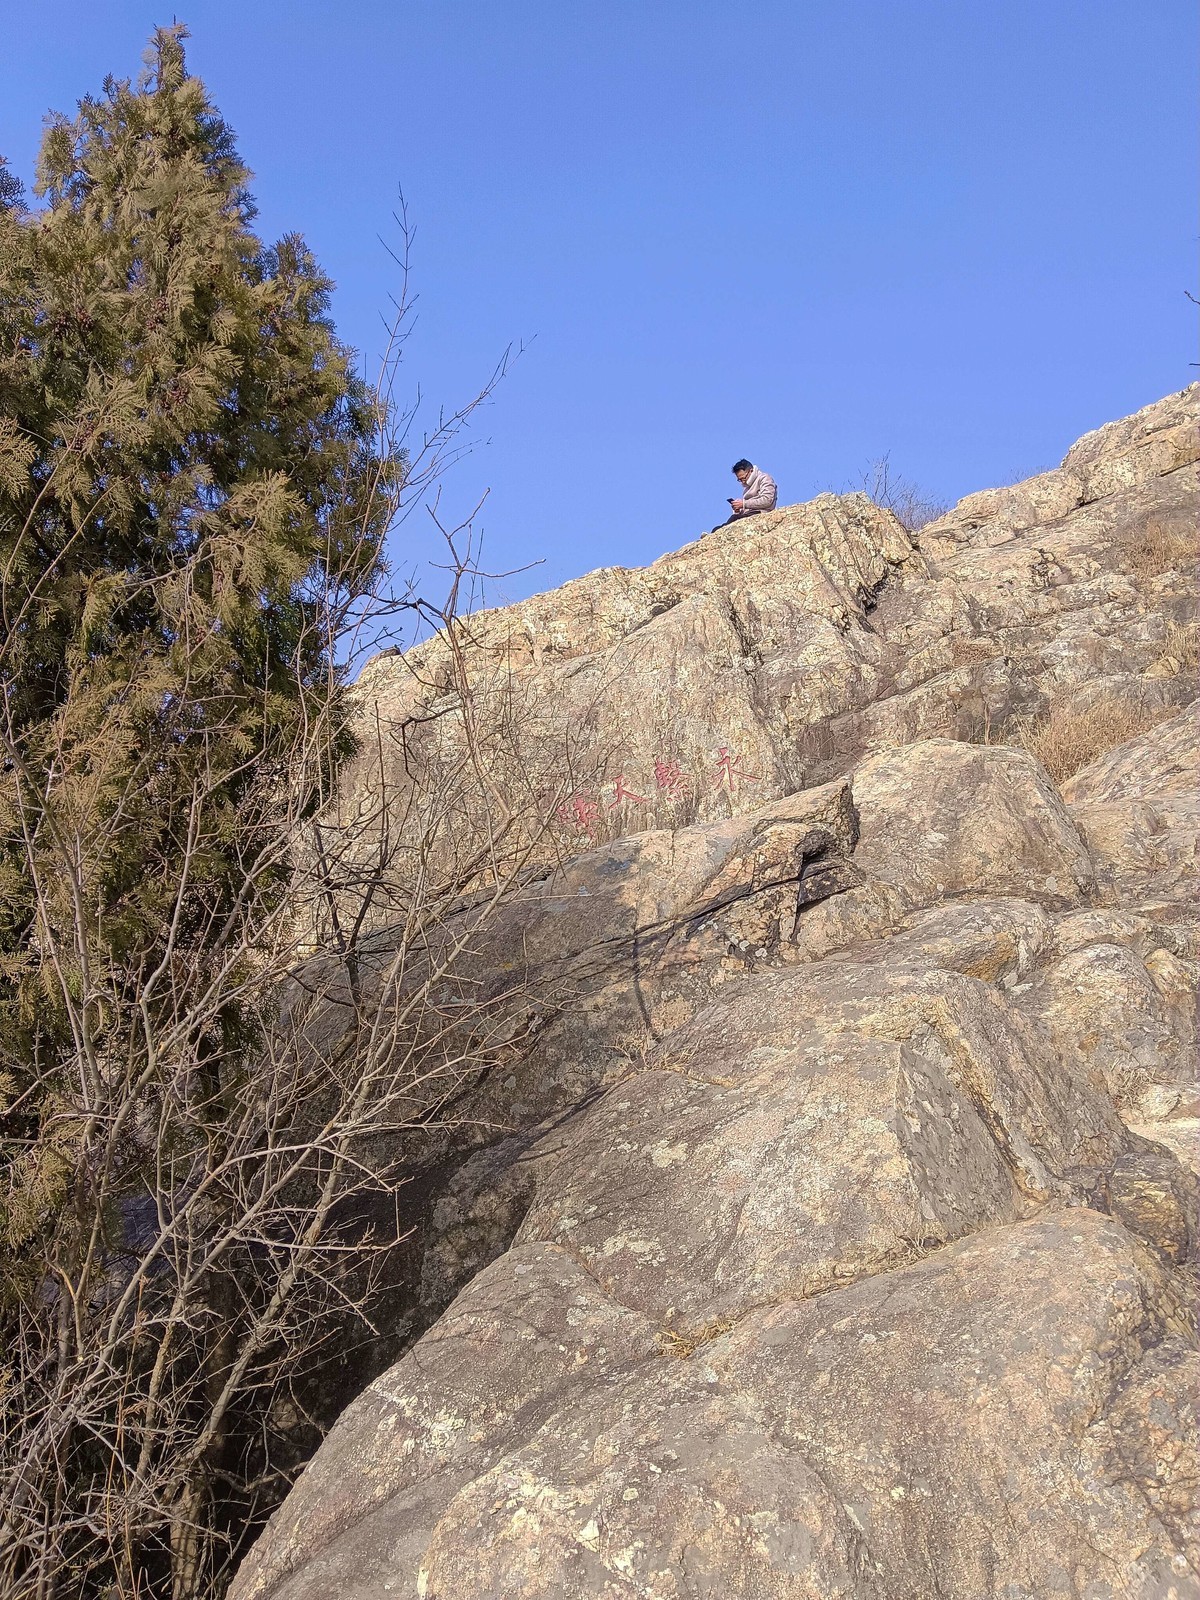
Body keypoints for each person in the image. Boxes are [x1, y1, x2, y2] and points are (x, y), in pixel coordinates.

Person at [711, 458, 777, 531]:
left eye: (743, 478)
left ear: (751, 471)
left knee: (733, 520)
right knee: (718, 528)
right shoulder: (747, 487)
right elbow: (747, 505)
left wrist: (743, 504)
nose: (742, 482)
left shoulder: (764, 478)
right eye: (740, 480)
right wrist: (738, 509)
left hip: (761, 513)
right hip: (749, 513)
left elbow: (767, 500)